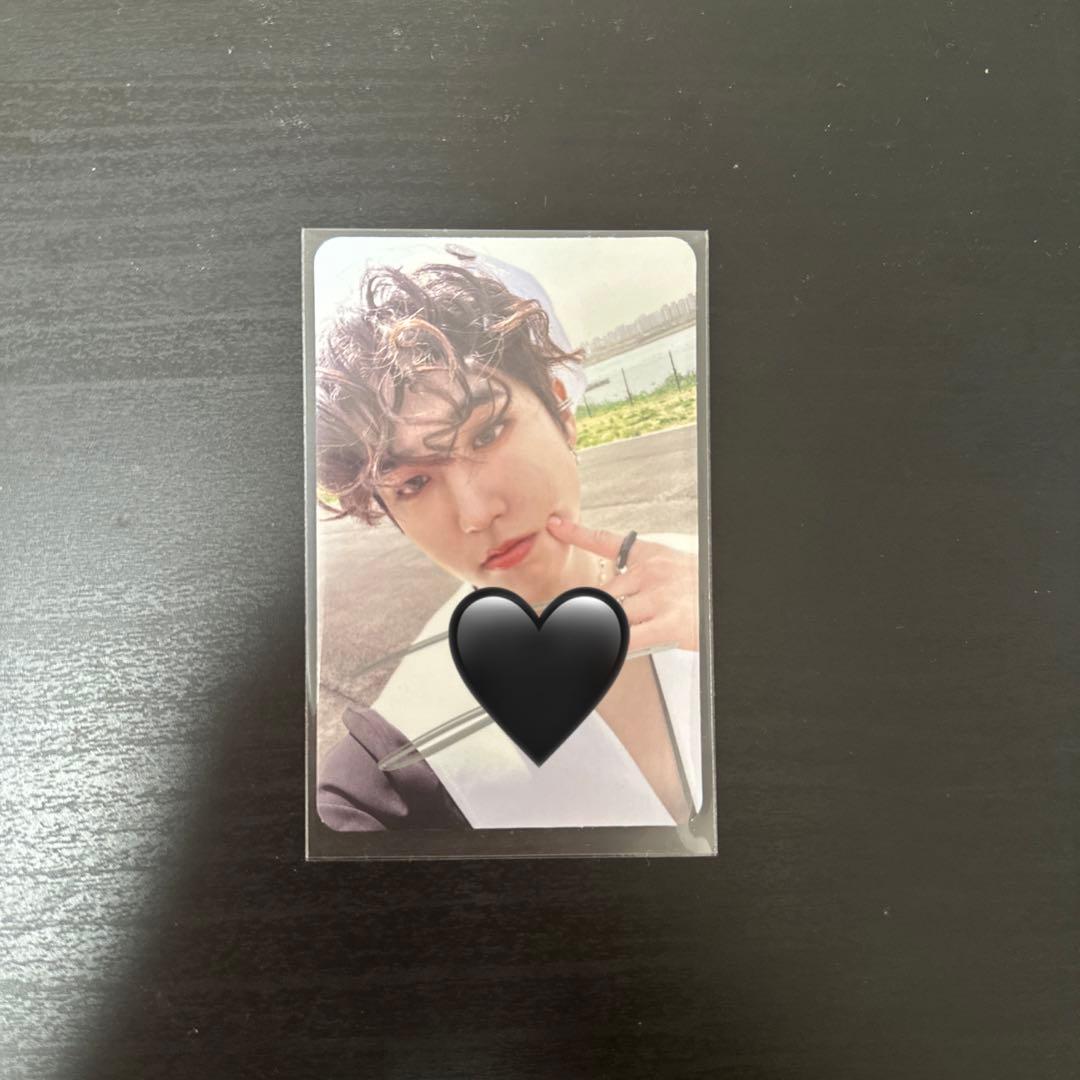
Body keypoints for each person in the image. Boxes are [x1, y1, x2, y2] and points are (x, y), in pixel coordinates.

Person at [314, 250, 701, 831]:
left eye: (489, 431)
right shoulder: (387, 772)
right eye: (413, 484)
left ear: (562, 410)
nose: (476, 513)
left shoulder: (731, 583)